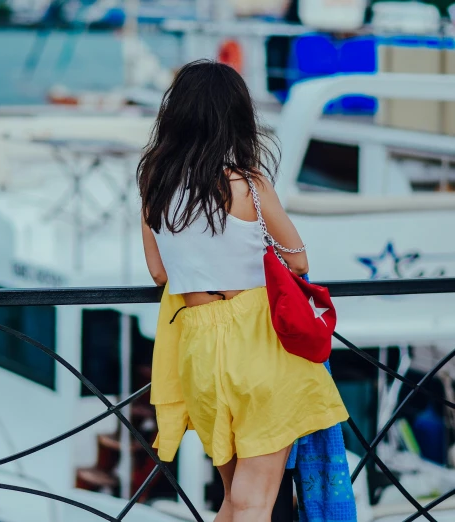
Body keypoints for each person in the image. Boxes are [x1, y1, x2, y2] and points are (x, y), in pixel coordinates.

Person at [138, 60, 349, 522]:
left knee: (236, 498)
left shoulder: (154, 184)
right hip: (258, 338)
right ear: (235, 117)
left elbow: (158, 274)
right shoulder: (249, 184)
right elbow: (297, 258)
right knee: (257, 500)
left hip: (197, 345)